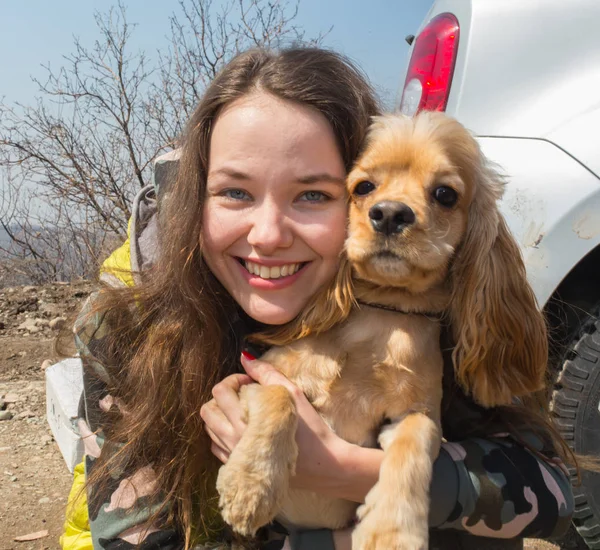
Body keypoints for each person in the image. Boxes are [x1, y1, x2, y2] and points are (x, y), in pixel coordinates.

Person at [64, 46, 574, 550]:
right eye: (235, 192)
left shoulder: (425, 304)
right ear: (197, 198)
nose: (268, 236)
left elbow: (552, 492)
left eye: (313, 195)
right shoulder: (128, 329)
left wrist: (349, 472)